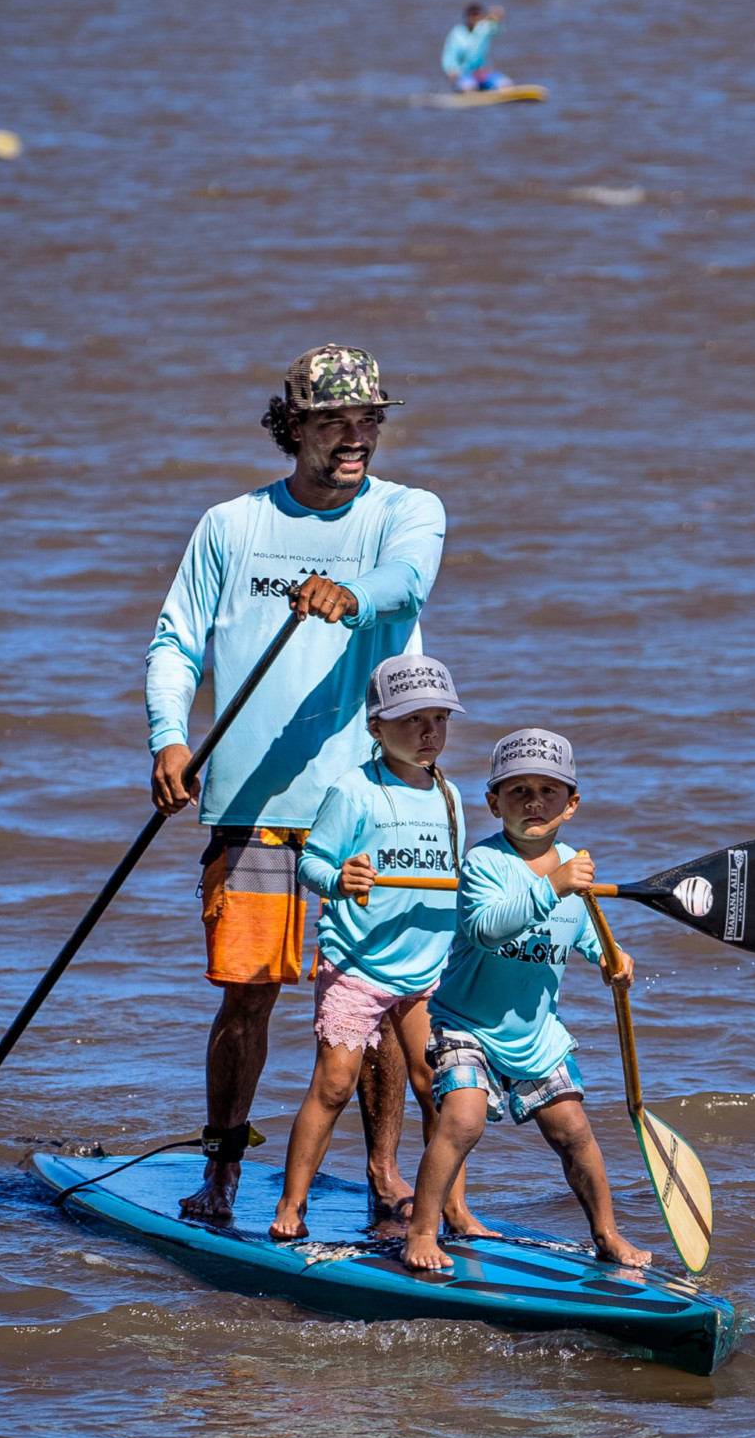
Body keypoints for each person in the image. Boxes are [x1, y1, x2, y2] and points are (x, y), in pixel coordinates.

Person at [146, 345, 447, 1225]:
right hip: (251, 802)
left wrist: (345, 592)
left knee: (382, 1000)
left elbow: (403, 586)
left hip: (374, 798)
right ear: (295, 427)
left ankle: (389, 1181)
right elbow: (176, 640)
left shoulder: (407, 512)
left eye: (369, 422)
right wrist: (170, 738)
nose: (356, 440)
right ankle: (222, 1173)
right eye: (334, 424)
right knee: (248, 998)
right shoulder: (230, 526)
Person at [403, 728, 650, 1273]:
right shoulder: (483, 865)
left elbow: (587, 933)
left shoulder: (574, 871)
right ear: (493, 803)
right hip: (465, 1023)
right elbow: (486, 928)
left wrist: (613, 958)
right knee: (462, 1121)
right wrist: (553, 886)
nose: (533, 802)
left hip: (536, 1034)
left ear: (572, 804)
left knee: (574, 1132)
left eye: (548, 790)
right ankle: (421, 1230)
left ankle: (607, 1234)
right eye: (517, 791)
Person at [270, 653, 492, 1240]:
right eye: (413, 720)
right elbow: (310, 863)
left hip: (425, 970)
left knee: (438, 1090)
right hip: (357, 965)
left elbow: (452, 880)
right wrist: (339, 877)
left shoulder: (449, 795)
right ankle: (291, 1207)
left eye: (440, 720)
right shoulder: (354, 791)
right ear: (376, 728)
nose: (429, 734)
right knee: (335, 1084)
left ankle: (450, 1209)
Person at [441, 4, 511, 92]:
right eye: (472, 15)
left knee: (505, 83)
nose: (475, 18)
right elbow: (449, 55)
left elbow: (498, 26)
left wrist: (499, 15)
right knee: (468, 88)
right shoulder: (457, 33)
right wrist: (451, 71)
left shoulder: (484, 29)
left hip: (483, 73)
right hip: (464, 74)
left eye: (477, 15)